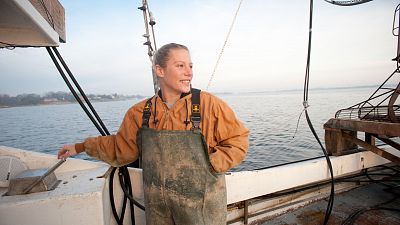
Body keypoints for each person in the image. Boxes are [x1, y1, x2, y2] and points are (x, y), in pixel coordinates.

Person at [58, 43, 249, 225]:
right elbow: (121, 149)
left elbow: (238, 141)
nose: (189, 72)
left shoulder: (209, 104)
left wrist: (210, 165)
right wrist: (80, 147)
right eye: (180, 65)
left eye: (190, 65)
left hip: (201, 208)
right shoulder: (140, 112)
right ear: (160, 71)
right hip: (159, 210)